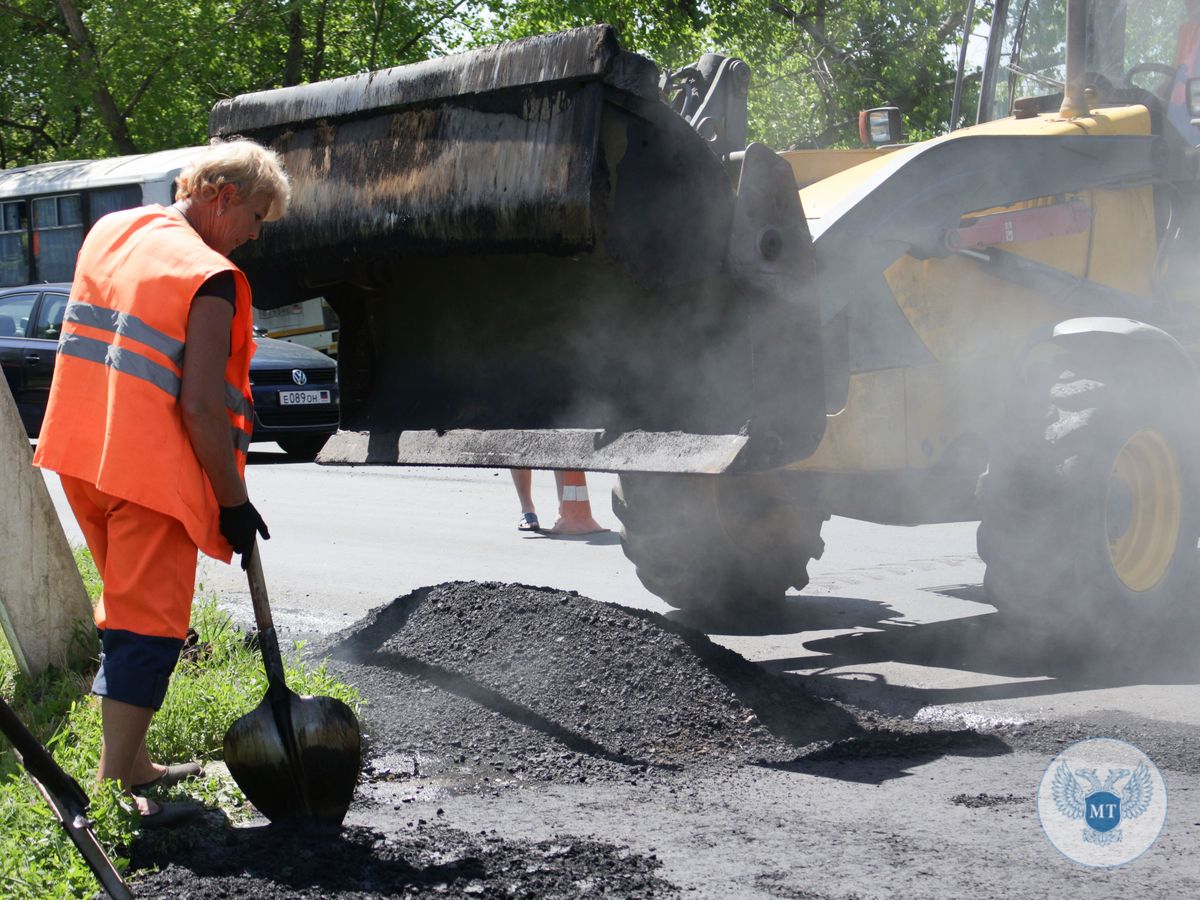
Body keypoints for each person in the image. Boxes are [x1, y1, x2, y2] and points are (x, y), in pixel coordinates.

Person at [33, 139, 289, 827]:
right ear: (222, 195)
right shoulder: (208, 277)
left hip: (84, 451)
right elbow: (201, 406)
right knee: (147, 627)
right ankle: (119, 785)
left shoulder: (113, 229)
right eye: (258, 216)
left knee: (125, 610)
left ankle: (134, 761)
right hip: (151, 475)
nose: (256, 236)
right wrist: (234, 503)